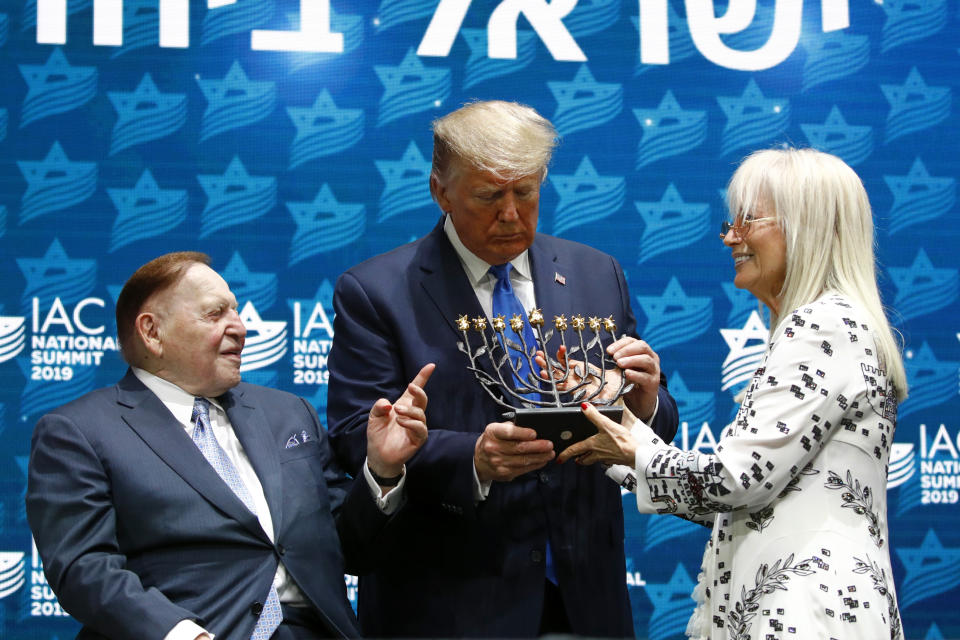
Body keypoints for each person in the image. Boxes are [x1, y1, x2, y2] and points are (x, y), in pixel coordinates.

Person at [326, 100, 679, 637]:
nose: (511, 213)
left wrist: (644, 401)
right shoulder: (376, 292)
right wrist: (473, 458)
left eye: (526, 192)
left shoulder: (596, 273)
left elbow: (651, 424)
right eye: (489, 196)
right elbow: (357, 436)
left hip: (586, 597)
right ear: (440, 191)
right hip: (448, 603)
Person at [560, 148, 907, 639]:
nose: (729, 236)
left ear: (804, 226)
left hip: (804, 614)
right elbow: (737, 502)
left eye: (748, 220)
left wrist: (635, 445)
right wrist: (607, 432)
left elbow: (734, 481)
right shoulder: (836, 323)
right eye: (731, 221)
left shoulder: (822, 325)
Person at [26, 252, 434, 640]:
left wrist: (380, 470)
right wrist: (182, 634)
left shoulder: (288, 413)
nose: (240, 326)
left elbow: (348, 547)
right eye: (215, 313)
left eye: (236, 310)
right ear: (152, 332)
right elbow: (83, 567)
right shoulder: (79, 431)